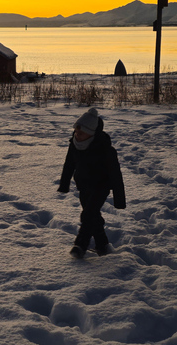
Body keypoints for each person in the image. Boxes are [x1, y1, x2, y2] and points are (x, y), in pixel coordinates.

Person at [57, 108, 126, 259]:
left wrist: (119, 199)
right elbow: (69, 164)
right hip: (84, 186)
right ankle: (102, 245)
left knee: (88, 214)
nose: (77, 135)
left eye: (80, 133)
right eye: (75, 132)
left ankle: (81, 245)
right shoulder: (74, 144)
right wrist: (64, 184)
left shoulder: (105, 149)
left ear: (91, 133)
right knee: (93, 216)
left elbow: (116, 176)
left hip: (101, 186)